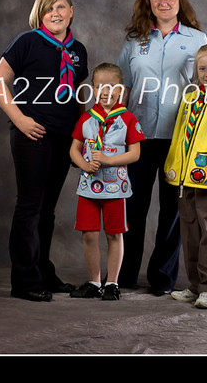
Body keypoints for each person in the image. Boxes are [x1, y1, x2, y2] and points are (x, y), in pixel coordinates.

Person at [0, 0, 88, 302]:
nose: (55, 14)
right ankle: (25, 280)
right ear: (40, 14)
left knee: (47, 210)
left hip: (63, 136)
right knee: (30, 206)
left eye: (61, 7)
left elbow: (78, 96)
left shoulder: (78, 50)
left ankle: (44, 272)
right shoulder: (27, 41)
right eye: (49, 9)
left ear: (71, 10)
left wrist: (81, 134)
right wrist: (19, 119)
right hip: (32, 134)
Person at [116, 0, 207, 295]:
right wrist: (114, 132)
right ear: (149, 2)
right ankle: (123, 275)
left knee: (172, 211)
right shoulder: (134, 41)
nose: (163, 2)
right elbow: (123, 88)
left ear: (179, 0)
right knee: (133, 206)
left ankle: (162, 278)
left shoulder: (197, 40)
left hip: (179, 138)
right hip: (138, 137)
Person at [164, 44, 207, 308]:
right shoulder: (191, 96)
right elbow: (182, 132)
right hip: (184, 177)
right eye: (202, 68)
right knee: (190, 234)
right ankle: (194, 286)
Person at [69, 63, 145, 300]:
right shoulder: (86, 119)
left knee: (114, 234)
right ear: (92, 89)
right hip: (89, 187)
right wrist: (83, 164)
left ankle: (112, 282)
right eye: (100, 86)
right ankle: (94, 281)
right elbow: (74, 150)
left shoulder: (127, 119)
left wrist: (109, 160)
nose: (105, 91)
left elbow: (135, 154)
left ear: (120, 89)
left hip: (114, 188)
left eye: (111, 86)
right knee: (89, 234)